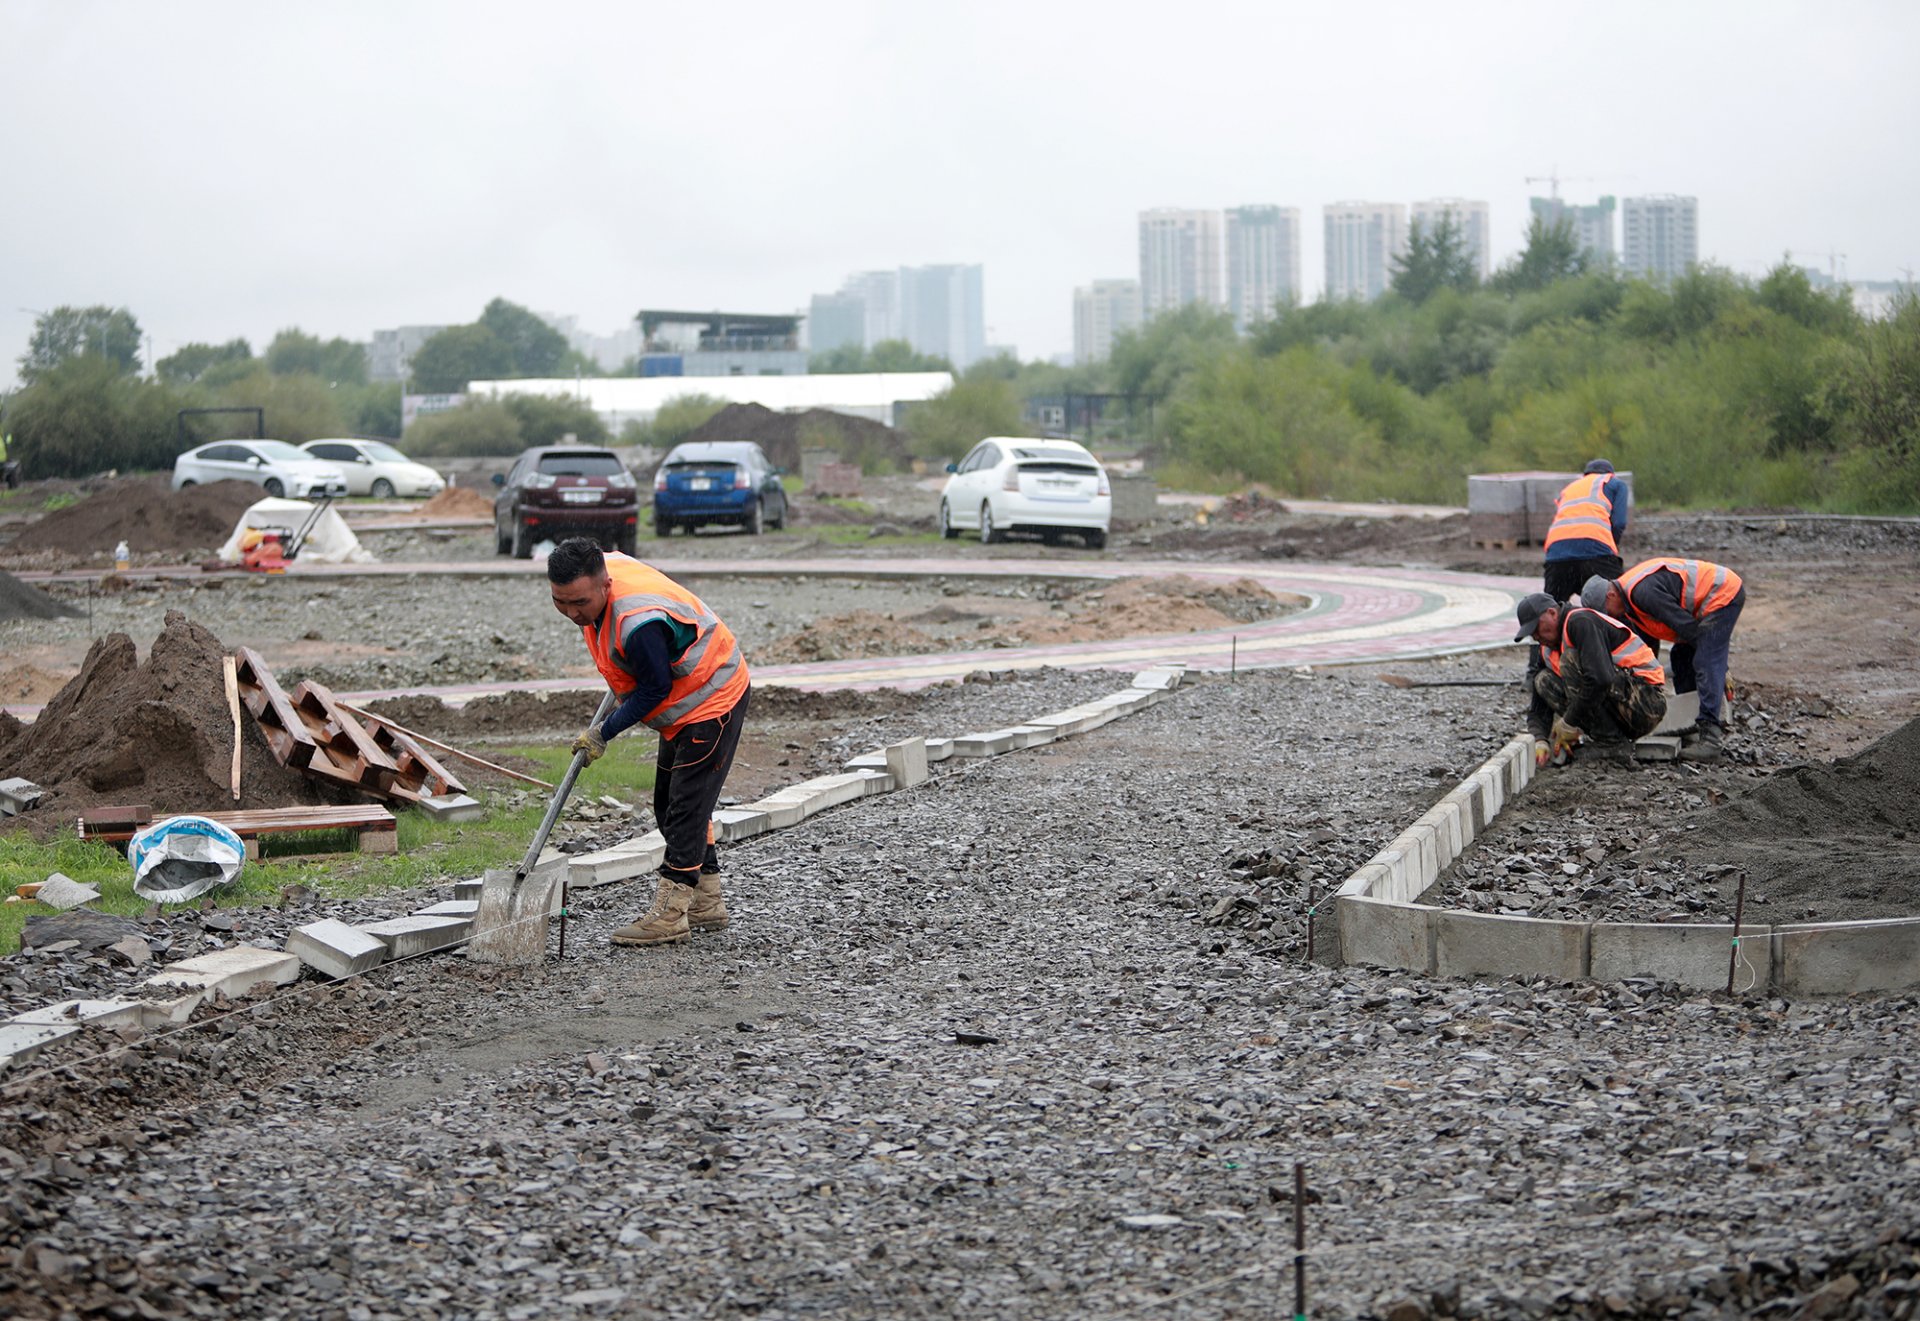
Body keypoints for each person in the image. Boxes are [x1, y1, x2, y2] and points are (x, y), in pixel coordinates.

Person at [546, 537, 751, 947]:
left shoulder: (639, 623)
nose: (572, 613)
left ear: (605, 584)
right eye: (560, 601)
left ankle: (671, 913)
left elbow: (653, 689)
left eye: (580, 603)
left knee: (686, 810)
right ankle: (707, 901)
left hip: (712, 698)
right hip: (685, 706)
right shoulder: (606, 570)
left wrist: (603, 732)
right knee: (669, 804)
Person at [1582, 557, 1745, 762]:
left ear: (1611, 594)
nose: (1611, 618)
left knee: (1705, 660)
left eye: (1607, 612)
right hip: (1701, 606)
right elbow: (1647, 648)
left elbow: (1686, 627)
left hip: (1721, 593)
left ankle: (1710, 740)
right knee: (1680, 658)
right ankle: (1692, 723)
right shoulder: (1630, 602)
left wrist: (1720, 665)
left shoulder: (1643, 593)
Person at [1515, 591, 1667, 768]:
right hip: (1621, 702)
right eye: (1531, 633)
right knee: (1543, 680)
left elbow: (1600, 678)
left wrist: (1569, 722)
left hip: (1646, 703)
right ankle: (1607, 740)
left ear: (1552, 613)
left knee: (1570, 660)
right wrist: (1539, 739)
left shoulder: (1580, 622)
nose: (1535, 636)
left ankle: (1612, 745)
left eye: (1536, 628)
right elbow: (1538, 706)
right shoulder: (1546, 648)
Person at [1541, 459, 1629, 602]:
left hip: (1557, 556)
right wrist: (1611, 546)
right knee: (1617, 607)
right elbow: (1619, 522)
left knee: (1552, 610)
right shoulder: (1614, 483)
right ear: (1611, 473)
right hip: (1596, 553)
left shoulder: (1569, 489)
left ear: (1585, 475)